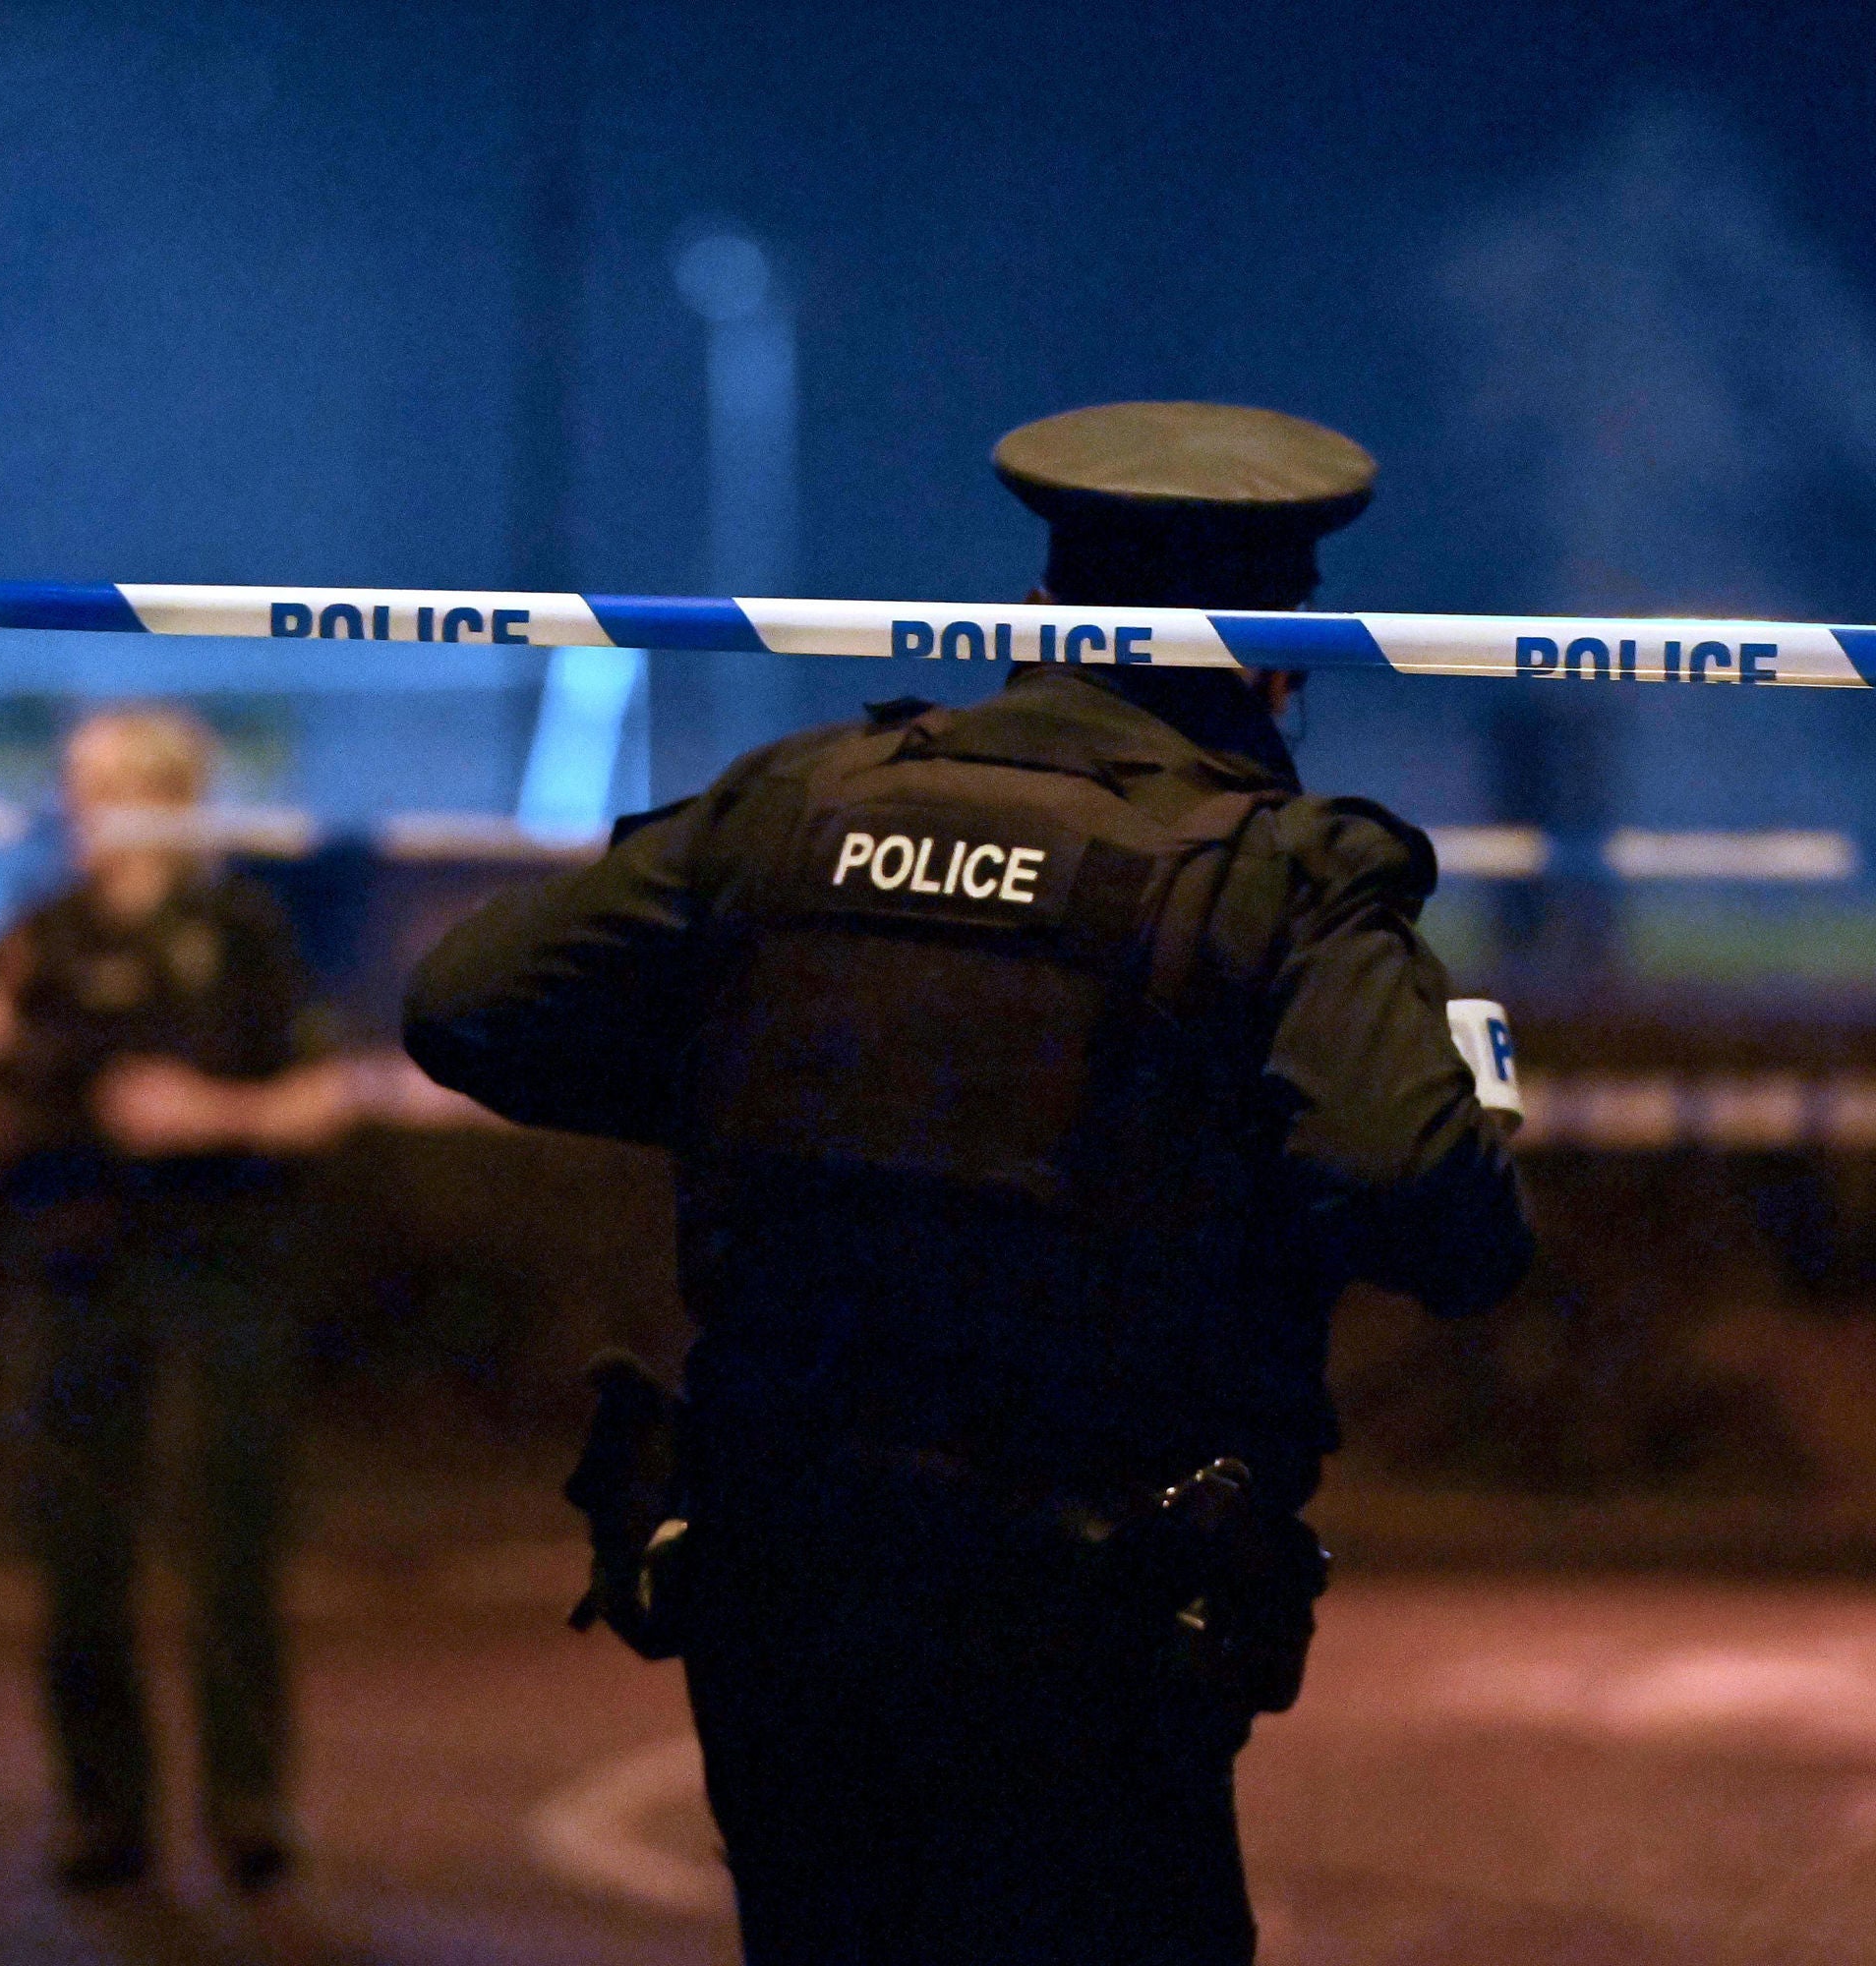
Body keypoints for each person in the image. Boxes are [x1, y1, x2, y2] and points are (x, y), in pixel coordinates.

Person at [402, 401, 1537, 1965]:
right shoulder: (1277, 873)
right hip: (1091, 1600)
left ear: (1042, 615)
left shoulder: (800, 804)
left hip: (776, 1573)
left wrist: (774, 1093)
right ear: (1278, 648)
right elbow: (1430, 1205)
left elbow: (467, 1007)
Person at [0, 706, 322, 1895]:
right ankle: (102, 1810)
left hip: (218, 1271)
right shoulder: (40, 932)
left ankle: (247, 1804)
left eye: (107, 786)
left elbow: (327, 1094)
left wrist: (210, 1111)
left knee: (231, 1546)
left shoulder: (241, 930)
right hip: (75, 1272)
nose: (82, 808)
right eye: (76, 785)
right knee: (76, 1550)